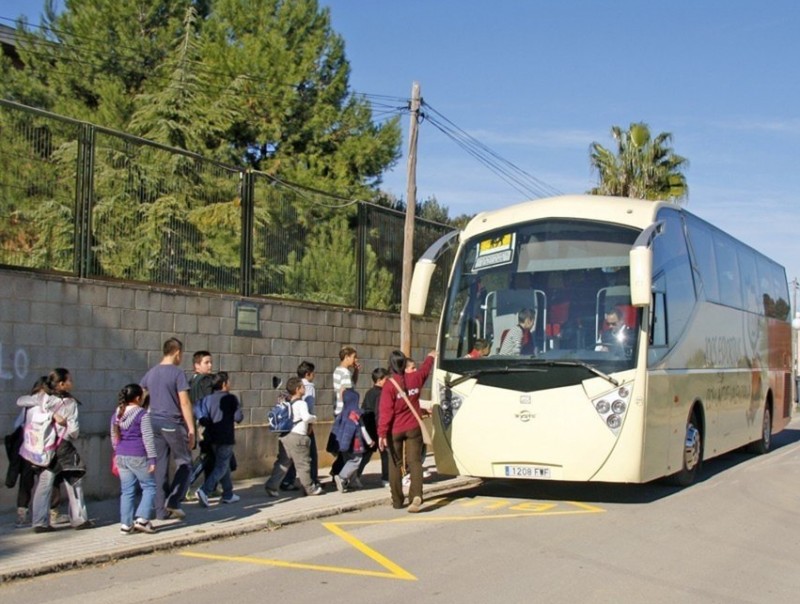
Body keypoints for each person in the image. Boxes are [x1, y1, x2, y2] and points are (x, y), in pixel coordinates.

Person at [25, 368, 92, 532]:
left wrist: (49, 415)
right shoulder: (69, 403)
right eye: (69, 380)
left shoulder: (42, 398)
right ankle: (79, 519)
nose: (72, 383)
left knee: (44, 483)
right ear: (62, 384)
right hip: (64, 447)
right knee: (74, 481)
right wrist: (56, 418)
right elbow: (74, 431)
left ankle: (40, 522)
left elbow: (22, 401)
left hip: (45, 448)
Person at [140, 337, 195, 521]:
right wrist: (191, 429)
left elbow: (141, 394)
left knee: (160, 466)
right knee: (185, 462)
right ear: (177, 352)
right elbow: (185, 402)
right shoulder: (177, 373)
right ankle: (174, 500)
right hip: (172, 422)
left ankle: (160, 511)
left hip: (153, 421)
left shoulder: (152, 372)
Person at [378, 349, 435, 513]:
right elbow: (425, 370)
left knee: (395, 464)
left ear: (390, 365)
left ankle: (397, 500)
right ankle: (416, 495)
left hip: (394, 430)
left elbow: (386, 412)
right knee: (415, 462)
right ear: (405, 364)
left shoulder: (389, 386)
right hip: (413, 427)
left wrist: (382, 434)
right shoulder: (416, 378)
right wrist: (430, 357)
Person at [7, 376, 64, 529]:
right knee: (47, 482)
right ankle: (49, 514)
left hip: (29, 450)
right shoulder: (41, 405)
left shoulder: (30, 404)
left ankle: (25, 515)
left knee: (31, 483)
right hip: (40, 450)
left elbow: (18, 423)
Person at [264, 377, 323, 497]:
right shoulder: (302, 403)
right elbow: (306, 418)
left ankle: (271, 486)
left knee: (283, 463)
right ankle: (310, 488)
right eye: (302, 387)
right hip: (298, 437)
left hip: (285, 436)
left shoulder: (287, 403)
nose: (304, 388)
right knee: (303, 464)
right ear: (297, 389)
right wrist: (314, 418)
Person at [111, 383, 157, 534]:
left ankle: (126, 524)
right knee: (149, 486)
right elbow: (148, 438)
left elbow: (113, 436)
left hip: (121, 455)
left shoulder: (117, 413)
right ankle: (143, 519)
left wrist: (117, 451)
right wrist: (152, 459)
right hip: (138, 454)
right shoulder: (142, 415)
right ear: (138, 398)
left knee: (127, 491)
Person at [195, 372, 244, 507]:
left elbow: (204, 419)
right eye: (228, 381)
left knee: (224, 465)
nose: (230, 384)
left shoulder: (207, 399)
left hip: (211, 436)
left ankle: (228, 494)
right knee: (222, 466)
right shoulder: (231, 399)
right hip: (226, 436)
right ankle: (205, 490)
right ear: (223, 384)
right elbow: (238, 418)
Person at [280, 361, 320, 491]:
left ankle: (287, 480)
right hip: (303, 425)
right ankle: (312, 481)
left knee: (292, 455)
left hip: (292, 426)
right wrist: (311, 424)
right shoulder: (308, 386)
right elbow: (309, 407)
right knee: (310, 455)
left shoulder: (294, 383)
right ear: (308, 374)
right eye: (313, 373)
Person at [331, 389, 374, 492]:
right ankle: (342, 477)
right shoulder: (356, 414)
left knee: (348, 461)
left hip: (344, 443)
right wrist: (369, 441)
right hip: (355, 442)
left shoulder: (343, 413)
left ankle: (352, 481)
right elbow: (362, 429)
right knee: (356, 461)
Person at [187, 350, 216, 494]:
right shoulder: (205, 381)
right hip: (206, 423)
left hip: (196, 421)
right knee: (207, 454)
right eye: (206, 362)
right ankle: (187, 484)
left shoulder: (191, 381)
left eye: (211, 362)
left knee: (211, 455)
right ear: (196, 365)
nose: (210, 365)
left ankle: (210, 487)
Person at [357, 367, 389, 487]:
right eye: (386, 379)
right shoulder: (382, 394)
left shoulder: (369, 392)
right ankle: (386, 478)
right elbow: (379, 413)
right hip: (377, 427)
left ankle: (355, 476)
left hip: (368, 427)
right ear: (380, 380)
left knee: (365, 455)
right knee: (385, 454)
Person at [331, 346, 360, 478]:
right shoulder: (344, 373)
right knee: (349, 446)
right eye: (353, 357)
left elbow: (351, 384)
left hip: (340, 410)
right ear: (347, 357)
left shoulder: (340, 371)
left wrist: (356, 371)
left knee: (345, 446)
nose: (355, 359)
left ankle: (337, 470)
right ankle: (342, 474)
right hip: (346, 411)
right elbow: (346, 392)